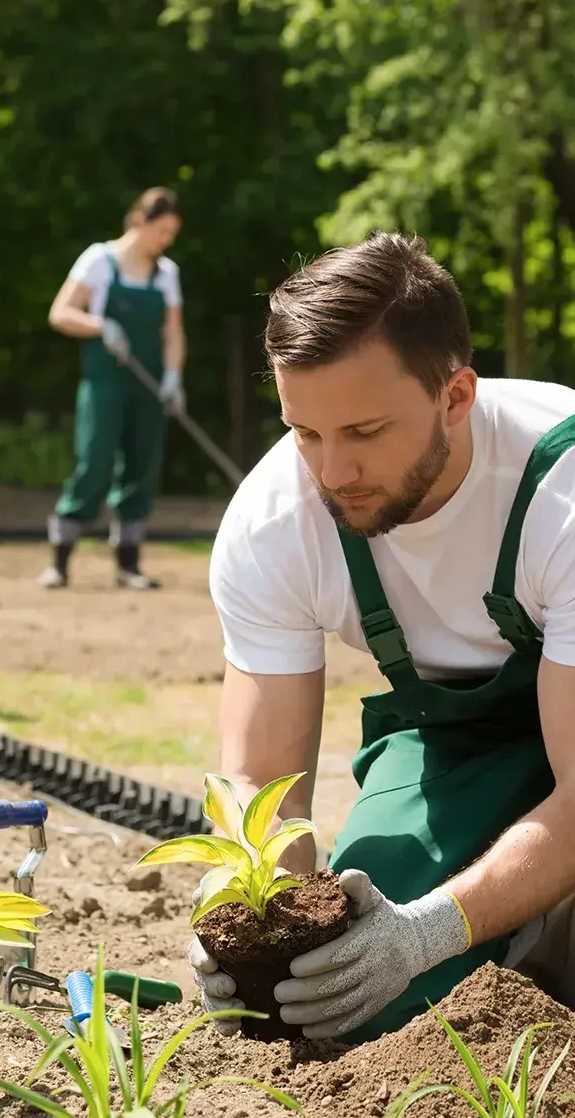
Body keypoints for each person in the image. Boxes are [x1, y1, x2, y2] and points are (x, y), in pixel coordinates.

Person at [188, 231, 575, 1042]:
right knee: (362, 990)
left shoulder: (560, 493)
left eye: (364, 431)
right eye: (305, 432)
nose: (332, 471)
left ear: (455, 396)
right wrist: (252, 929)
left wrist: (431, 930)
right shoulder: (273, 524)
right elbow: (262, 790)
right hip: (458, 744)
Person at [38, 187, 187, 590]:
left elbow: (173, 333)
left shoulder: (166, 273)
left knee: (142, 467)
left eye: (172, 234)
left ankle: (128, 565)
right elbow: (61, 313)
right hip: (104, 383)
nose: (166, 241)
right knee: (95, 462)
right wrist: (101, 326)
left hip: (149, 386)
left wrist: (173, 378)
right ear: (139, 221)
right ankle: (60, 561)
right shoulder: (99, 260)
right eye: (162, 231)